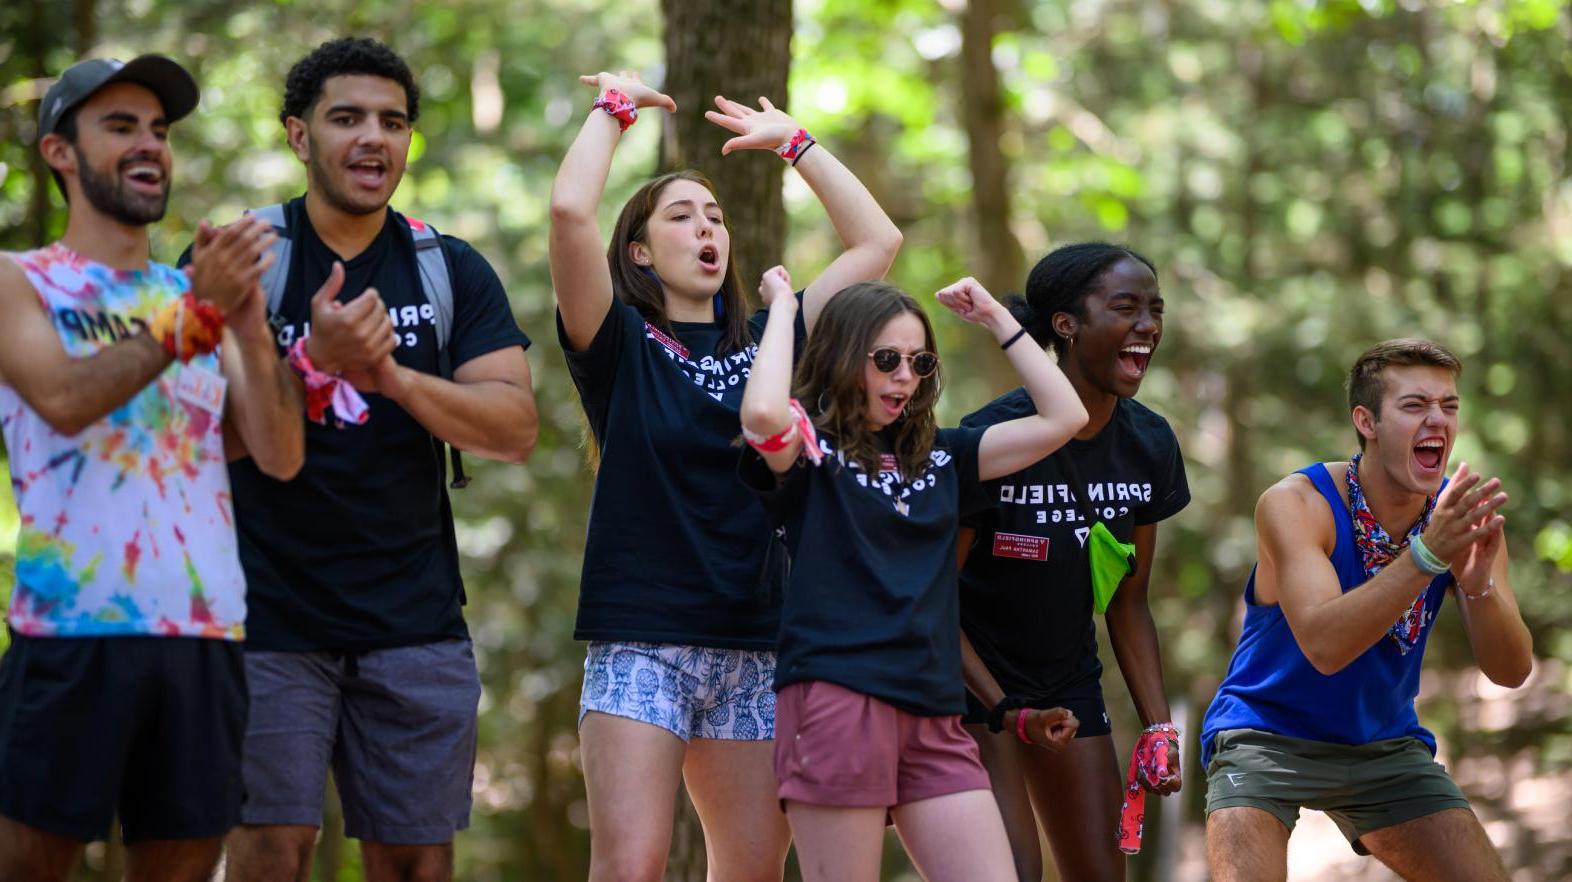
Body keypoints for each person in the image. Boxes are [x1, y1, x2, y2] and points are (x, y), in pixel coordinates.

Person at [549, 68, 902, 882]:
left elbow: (876, 245)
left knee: (747, 871)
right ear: (640, 251)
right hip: (644, 638)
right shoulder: (619, 343)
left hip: (756, 643)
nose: (706, 227)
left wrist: (798, 145)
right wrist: (616, 108)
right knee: (630, 867)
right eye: (681, 216)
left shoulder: (775, 341)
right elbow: (570, 212)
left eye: (715, 216)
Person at [209, 38, 538, 882]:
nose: (373, 139)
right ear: (297, 135)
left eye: (393, 122)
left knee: (418, 863)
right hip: (263, 616)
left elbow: (512, 427)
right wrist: (308, 360)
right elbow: (201, 441)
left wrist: (388, 376)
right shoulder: (242, 262)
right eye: (346, 117)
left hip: (414, 617)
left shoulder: (448, 267)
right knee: (269, 853)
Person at [0, 54, 304, 882]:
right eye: (121, 126)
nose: (149, 146)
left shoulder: (194, 292)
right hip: (73, 630)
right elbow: (63, 398)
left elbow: (278, 456)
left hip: (205, 635)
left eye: (160, 131)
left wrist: (243, 323)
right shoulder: (19, 281)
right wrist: (200, 310)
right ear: (59, 152)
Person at [737, 270, 1088, 882]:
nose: (906, 375)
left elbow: (1065, 416)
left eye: (920, 361)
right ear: (845, 358)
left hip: (933, 713)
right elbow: (765, 413)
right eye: (887, 359)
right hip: (836, 700)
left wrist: (997, 319)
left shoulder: (946, 456)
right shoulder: (812, 452)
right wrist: (782, 313)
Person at [1201, 339, 1532, 882]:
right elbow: (1325, 646)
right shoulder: (1296, 503)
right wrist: (1426, 556)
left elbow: (1511, 670)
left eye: (1449, 407)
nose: (1437, 421)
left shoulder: (1457, 514)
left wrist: (1477, 588)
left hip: (1382, 744)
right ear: (1367, 421)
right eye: (1414, 405)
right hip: (1263, 736)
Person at [954, 243, 1188, 880]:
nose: (1148, 325)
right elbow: (930, 603)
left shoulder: (1149, 443)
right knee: (1014, 872)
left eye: (1155, 310)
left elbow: (1127, 601)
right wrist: (1005, 708)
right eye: (1125, 307)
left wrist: (1159, 729)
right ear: (1066, 324)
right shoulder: (991, 439)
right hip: (968, 687)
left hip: (1068, 685)